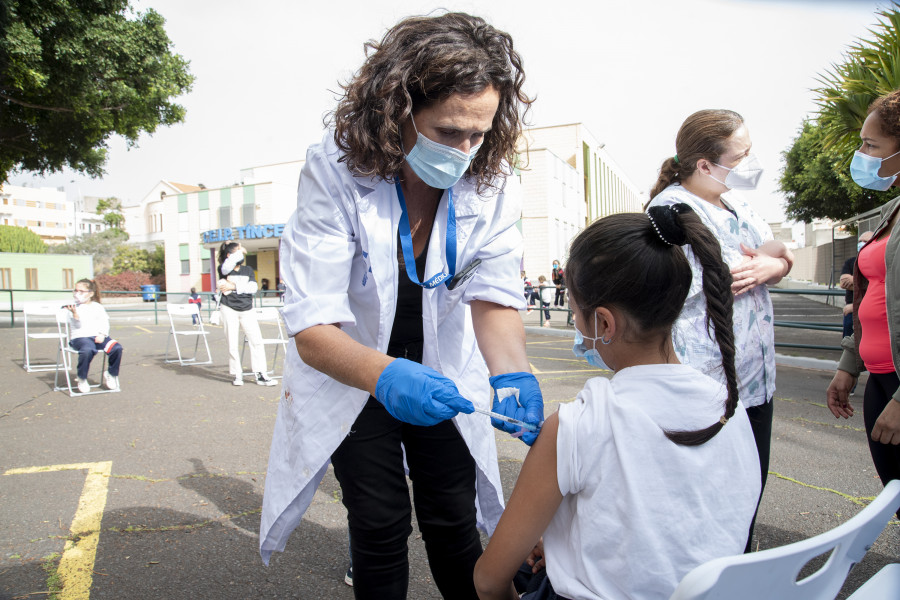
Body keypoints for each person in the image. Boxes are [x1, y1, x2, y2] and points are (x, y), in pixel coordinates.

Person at [259, 13, 542, 600]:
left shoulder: (491, 183)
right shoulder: (335, 173)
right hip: (354, 370)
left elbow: (492, 294)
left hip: (444, 375)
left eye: (479, 133)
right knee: (380, 521)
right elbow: (313, 326)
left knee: (452, 517)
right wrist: (385, 373)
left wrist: (512, 369)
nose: (466, 150)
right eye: (447, 132)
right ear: (396, 111)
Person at [473, 206, 760, 600]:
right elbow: (683, 522)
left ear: (604, 324)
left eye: (575, 312)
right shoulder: (729, 405)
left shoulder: (579, 423)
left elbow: (489, 580)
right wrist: (565, 539)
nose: (576, 325)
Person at [645, 109, 793, 551]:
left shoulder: (735, 202)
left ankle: (740, 573)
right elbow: (678, 286)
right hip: (709, 383)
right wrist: (753, 262)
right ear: (704, 165)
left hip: (756, 380)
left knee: (749, 494)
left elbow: (776, 251)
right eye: (741, 155)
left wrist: (775, 263)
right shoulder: (668, 212)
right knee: (711, 503)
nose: (751, 163)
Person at [827, 90, 900, 514]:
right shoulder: (892, 209)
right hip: (881, 378)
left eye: (871, 146)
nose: (861, 154)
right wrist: (848, 365)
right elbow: (872, 293)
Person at [216, 242, 276, 387]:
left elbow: (253, 288)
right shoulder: (224, 270)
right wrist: (239, 250)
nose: (243, 254)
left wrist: (234, 286)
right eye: (239, 252)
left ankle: (261, 374)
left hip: (247, 309)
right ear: (231, 256)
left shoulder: (248, 270)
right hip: (229, 308)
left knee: (256, 341)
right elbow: (227, 266)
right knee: (232, 343)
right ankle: (237, 374)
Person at [64, 278, 123, 394]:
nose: (77, 294)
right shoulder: (72, 307)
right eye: (76, 291)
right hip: (80, 337)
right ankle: (82, 378)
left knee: (117, 348)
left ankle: (111, 374)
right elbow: (77, 326)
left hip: (98, 336)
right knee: (87, 349)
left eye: (81, 291)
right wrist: (75, 314)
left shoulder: (97, 307)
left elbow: (105, 322)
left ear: (90, 293)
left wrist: (102, 334)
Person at [839, 232, 874, 338]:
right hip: (850, 312)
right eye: (860, 241)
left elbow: (877, 288)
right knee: (848, 343)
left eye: (865, 241)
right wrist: (866, 283)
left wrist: (853, 280)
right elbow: (843, 283)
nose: (861, 244)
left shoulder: (876, 262)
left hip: (866, 309)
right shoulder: (851, 262)